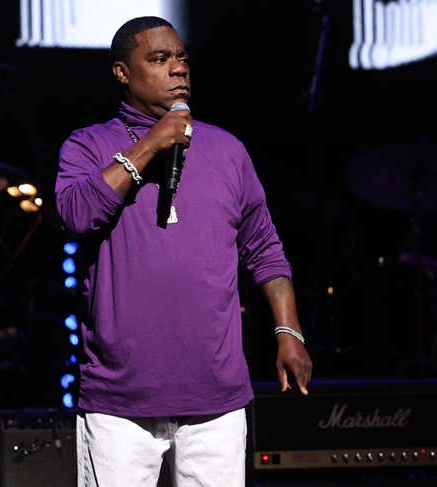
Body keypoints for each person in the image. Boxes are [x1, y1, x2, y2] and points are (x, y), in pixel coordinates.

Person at [55, 16, 312, 487]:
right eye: (159, 59)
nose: (178, 70)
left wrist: (287, 330)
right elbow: (77, 214)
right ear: (122, 73)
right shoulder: (88, 145)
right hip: (121, 401)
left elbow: (266, 250)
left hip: (215, 397)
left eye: (182, 59)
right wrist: (151, 143)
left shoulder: (226, 150)